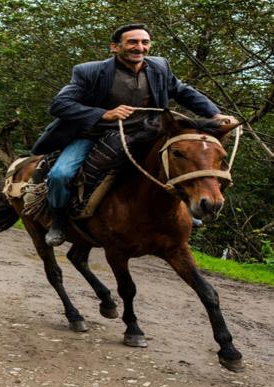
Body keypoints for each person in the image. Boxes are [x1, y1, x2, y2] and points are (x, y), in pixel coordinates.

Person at [31, 23, 236, 247]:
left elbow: (183, 91)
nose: (139, 47)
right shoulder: (89, 71)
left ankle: (188, 207)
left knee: (183, 160)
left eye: (144, 42)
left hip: (147, 132)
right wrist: (104, 114)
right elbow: (59, 104)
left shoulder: (159, 67)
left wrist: (215, 114)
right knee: (61, 174)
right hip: (94, 134)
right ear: (115, 47)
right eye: (132, 42)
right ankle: (58, 221)